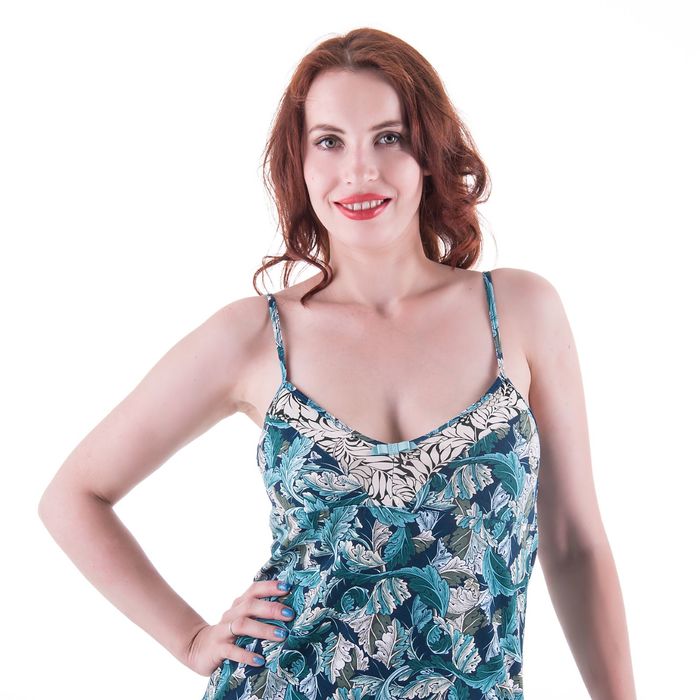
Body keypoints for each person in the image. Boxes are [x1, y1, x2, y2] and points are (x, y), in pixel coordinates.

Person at [38, 27, 637, 700]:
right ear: (299, 162)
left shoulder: (522, 311)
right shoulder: (254, 337)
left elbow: (574, 543)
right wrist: (191, 638)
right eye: (329, 141)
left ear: (429, 154)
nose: (359, 171)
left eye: (389, 137)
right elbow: (73, 498)